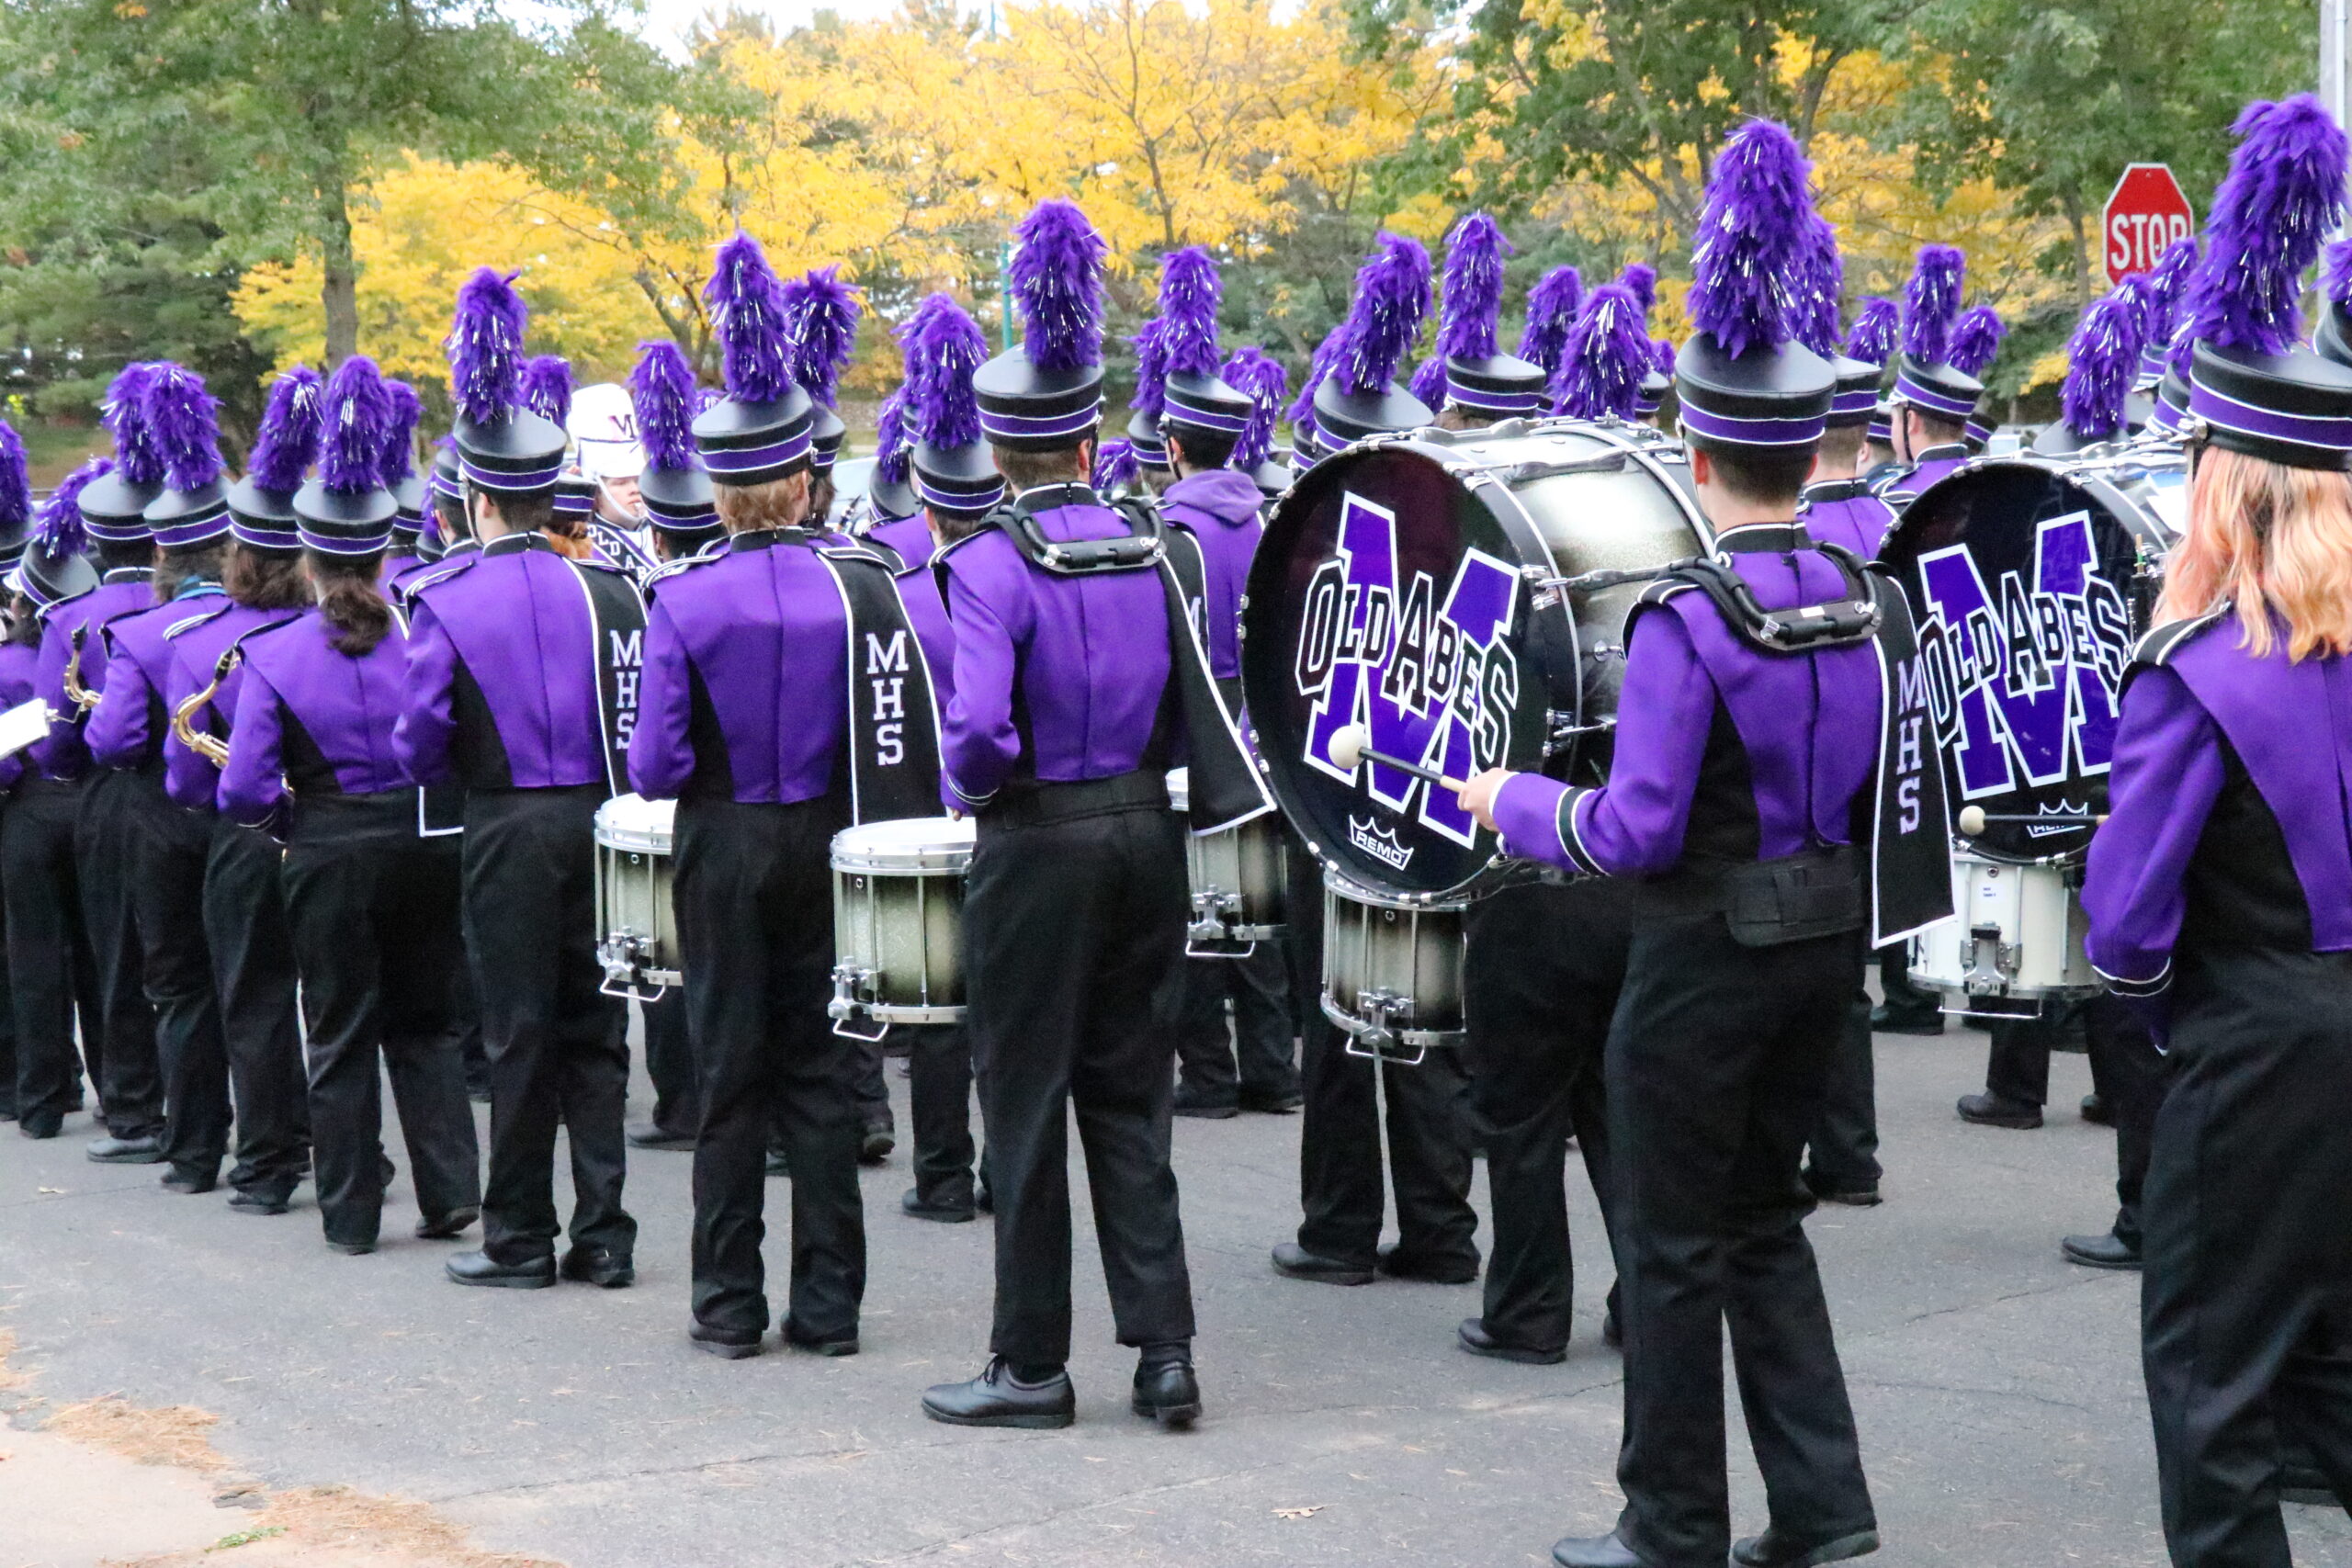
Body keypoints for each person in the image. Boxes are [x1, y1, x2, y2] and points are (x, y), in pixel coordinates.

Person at [1459, 120, 1914, 1568]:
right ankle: (1826, 1508)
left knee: (1669, 1244)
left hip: (1703, 952)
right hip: (1821, 941)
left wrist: (1510, 803)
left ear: (1698, 449)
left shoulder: (1688, 616)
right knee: (1766, 1221)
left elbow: (1633, 826)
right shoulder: (1858, 594)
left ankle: (1672, 1526)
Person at [920, 197, 1267, 1431]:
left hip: (1036, 843)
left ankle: (1030, 1365)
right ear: (1083, 442)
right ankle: (1165, 1354)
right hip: (1144, 835)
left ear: (996, 451)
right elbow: (1189, 709)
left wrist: (990, 785)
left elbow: (972, 736)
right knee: (1132, 1099)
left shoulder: (986, 561)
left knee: (1020, 1103)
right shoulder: (1147, 540)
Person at [2086, 94, 2352, 1564]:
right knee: (2330, 1362)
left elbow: (2126, 928)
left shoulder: (2196, 677)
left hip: (2252, 1049)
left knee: (2213, 1385)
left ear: (2221, 487)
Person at [398, 267, 645, 1292]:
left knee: (515, 1033)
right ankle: (603, 1232)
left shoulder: (441, 595)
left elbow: (419, 743)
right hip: (598, 817)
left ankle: (518, 1238)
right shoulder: (609, 587)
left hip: (501, 823)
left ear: (478, 500)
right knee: (596, 1025)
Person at [220, 355, 482, 1254]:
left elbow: (245, 789)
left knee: (336, 1033)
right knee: (428, 1027)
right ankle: (451, 1197)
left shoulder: (272, 653)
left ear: (305, 555)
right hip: (424, 842)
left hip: (328, 850)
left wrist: (301, 829)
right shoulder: (426, 626)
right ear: (383, 547)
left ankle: (351, 1216)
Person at [1267, 231, 1483, 1293]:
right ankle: (1442, 1230)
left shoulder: (1306, 533)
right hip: (1433, 791)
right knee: (1425, 1010)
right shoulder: (1453, 526)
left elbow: (1268, 671)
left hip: (1333, 797)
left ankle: (1340, 1229)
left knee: (1339, 1018)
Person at [1133, 246, 1302, 1121]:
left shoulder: (1168, 533)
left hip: (1202, 736)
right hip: (1268, 732)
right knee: (1260, 911)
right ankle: (1274, 1070)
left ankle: (1210, 1076)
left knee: (1199, 915)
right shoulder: (1275, 519)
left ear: (1171, 446)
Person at [156, 369, 320, 1216]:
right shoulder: (347, 632)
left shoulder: (198, 640)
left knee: (253, 1000)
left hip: (246, 836)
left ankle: (266, 1164)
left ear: (238, 559)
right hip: (331, 828)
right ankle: (350, 1151)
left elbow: (187, 775)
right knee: (336, 1004)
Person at [86, 365, 242, 1197]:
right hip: (244, 819)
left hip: (157, 814)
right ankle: (276, 1142)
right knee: (252, 987)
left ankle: (191, 1151)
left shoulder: (139, 628)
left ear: (161, 554)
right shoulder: (264, 620)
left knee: (178, 987)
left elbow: (113, 741)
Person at [873, 292, 1001, 1222]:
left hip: (918, 796)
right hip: (1001, 797)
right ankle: (991, 1170)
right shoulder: (1023, 556)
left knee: (937, 1004)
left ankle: (943, 1175)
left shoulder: (881, 564)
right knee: (1000, 1001)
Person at [39, 367, 168, 1165]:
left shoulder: (70, 617)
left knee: (118, 952)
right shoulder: (179, 601)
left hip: (106, 791)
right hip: (188, 787)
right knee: (187, 953)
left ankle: (133, 1107)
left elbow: (57, 738)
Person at [2, 468, 103, 1141]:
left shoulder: (6, 664)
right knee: (101, 955)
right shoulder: (88, 652)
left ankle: (42, 1097)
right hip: (88, 805)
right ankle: (123, 1089)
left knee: (35, 957)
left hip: (27, 811)